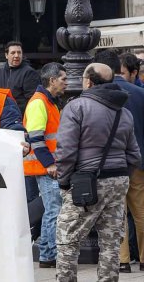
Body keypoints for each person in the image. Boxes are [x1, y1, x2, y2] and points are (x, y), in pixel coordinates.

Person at [55, 63, 140, 282]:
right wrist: (122, 176)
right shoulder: (124, 112)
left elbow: (66, 151)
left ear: (88, 82)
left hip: (87, 181)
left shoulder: (76, 107)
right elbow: (134, 154)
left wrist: (64, 182)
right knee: (111, 242)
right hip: (119, 180)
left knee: (68, 239)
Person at [99, 50, 144, 274]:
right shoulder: (139, 93)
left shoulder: (100, 95)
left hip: (112, 163)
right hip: (138, 161)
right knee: (141, 211)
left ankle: (123, 260)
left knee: (118, 212)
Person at [24, 63, 64, 270]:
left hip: (45, 166)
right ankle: (48, 254)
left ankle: (48, 253)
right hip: (44, 167)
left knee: (52, 209)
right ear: (52, 80)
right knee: (54, 210)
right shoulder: (40, 103)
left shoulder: (47, 102)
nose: (66, 83)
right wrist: (49, 164)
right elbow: (37, 138)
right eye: (63, 79)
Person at [0, 40, 41, 112]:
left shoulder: (29, 73)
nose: (16, 55)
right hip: (0, 116)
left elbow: (33, 100)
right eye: (13, 53)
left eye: (19, 52)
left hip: (19, 117)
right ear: (6, 55)